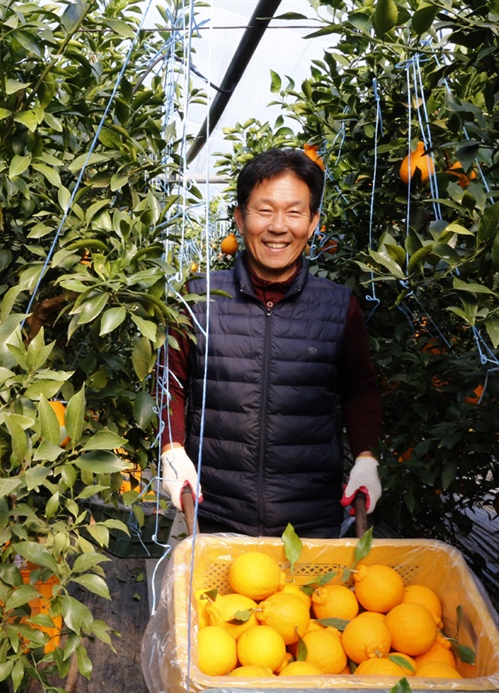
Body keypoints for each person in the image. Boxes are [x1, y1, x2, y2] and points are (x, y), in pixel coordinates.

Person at [160, 146, 383, 537]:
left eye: (294, 212)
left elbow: (360, 389)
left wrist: (366, 455)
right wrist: (171, 448)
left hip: (312, 523)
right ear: (240, 218)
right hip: (212, 517)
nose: (279, 226)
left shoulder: (336, 306)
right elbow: (170, 382)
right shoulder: (198, 298)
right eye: (264, 210)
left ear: (313, 222)